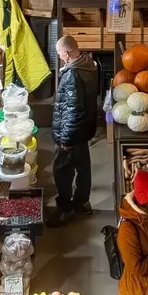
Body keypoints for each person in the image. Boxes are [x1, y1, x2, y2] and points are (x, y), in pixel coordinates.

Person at [46, 32, 100, 226]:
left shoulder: (72, 75)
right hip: (84, 130)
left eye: (60, 53)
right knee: (83, 167)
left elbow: (73, 109)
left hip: (72, 133)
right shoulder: (89, 65)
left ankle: (65, 209)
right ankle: (82, 203)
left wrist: (66, 139)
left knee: (62, 170)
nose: (59, 56)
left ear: (67, 53)